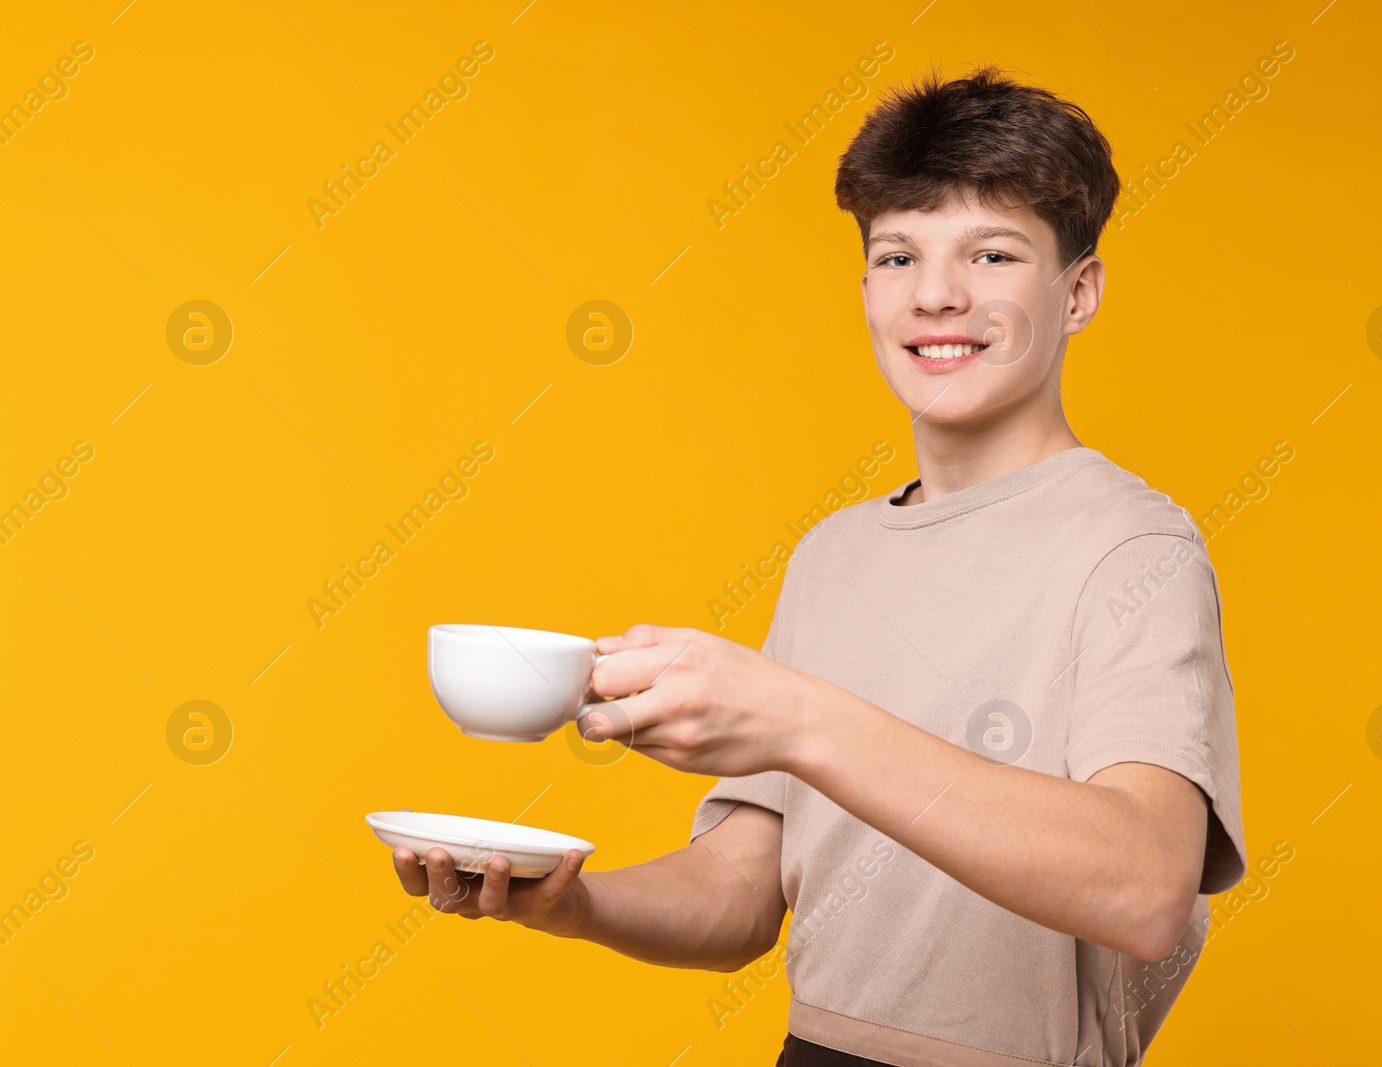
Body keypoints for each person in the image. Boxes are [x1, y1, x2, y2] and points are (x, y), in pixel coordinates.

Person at [389, 64, 1246, 1067]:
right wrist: (572, 900)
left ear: (1079, 291)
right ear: (868, 289)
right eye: (897, 256)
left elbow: (1144, 886)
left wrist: (798, 718)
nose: (936, 294)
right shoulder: (832, 554)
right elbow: (743, 893)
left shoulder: (1131, 548)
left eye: (993, 252)